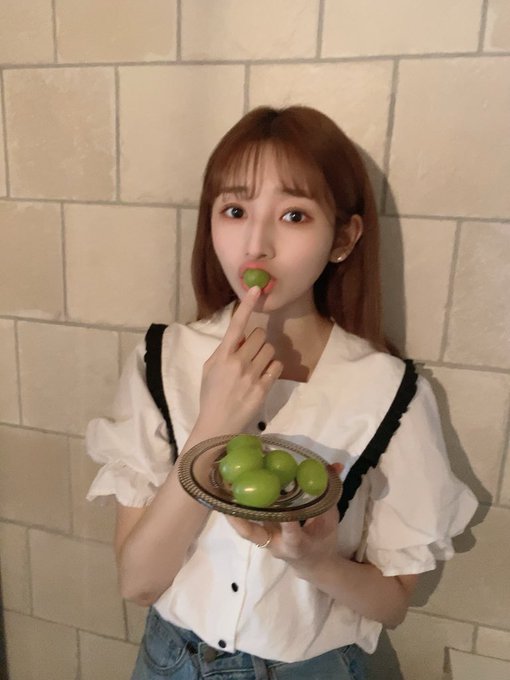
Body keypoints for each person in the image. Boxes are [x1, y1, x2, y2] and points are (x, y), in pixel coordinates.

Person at [86, 106, 478, 680]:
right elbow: (138, 582)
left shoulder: (390, 391)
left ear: (343, 237)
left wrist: (318, 562)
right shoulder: (161, 360)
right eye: (235, 210)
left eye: (294, 215)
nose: (256, 244)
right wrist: (213, 425)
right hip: (171, 661)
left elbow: (393, 605)